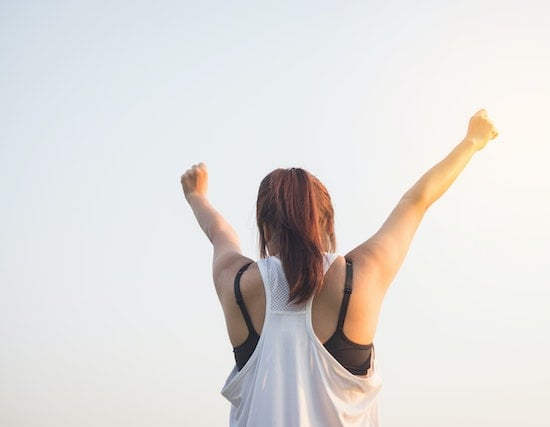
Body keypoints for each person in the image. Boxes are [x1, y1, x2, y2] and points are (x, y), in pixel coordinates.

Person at [181, 109, 499, 426]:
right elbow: (416, 201)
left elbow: (220, 233)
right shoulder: (359, 278)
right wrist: (472, 141)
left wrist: (196, 195)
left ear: (264, 228)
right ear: (327, 223)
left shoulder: (236, 284)